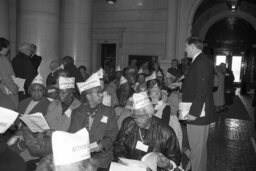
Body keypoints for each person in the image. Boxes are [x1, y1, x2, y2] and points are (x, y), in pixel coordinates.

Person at [114, 92, 182, 170]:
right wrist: (123, 159)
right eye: (135, 116)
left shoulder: (166, 132)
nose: (138, 120)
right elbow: (118, 145)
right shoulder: (128, 124)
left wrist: (167, 165)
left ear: (150, 114)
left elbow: (175, 158)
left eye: (141, 117)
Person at [69, 73, 118, 170]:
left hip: (102, 159)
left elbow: (112, 133)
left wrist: (102, 145)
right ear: (88, 95)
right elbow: (73, 134)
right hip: (81, 158)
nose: (101, 95)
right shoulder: (76, 112)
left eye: (101, 92)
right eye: (98, 92)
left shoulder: (109, 111)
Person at [182, 37, 215, 171]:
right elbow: (197, 84)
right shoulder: (200, 60)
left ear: (192, 46)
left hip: (198, 113)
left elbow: (201, 90)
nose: (185, 50)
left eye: (186, 47)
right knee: (199, 150)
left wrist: (193, 112)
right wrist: (181, 84)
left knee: (197, 150)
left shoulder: (200, 62)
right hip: (199, 112)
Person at [0, 37, 19, 109]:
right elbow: (6, 77)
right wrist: (14, 89)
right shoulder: (2, 59)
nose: (9, 49)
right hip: (6, 91)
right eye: (8, 46)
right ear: (4, 47)